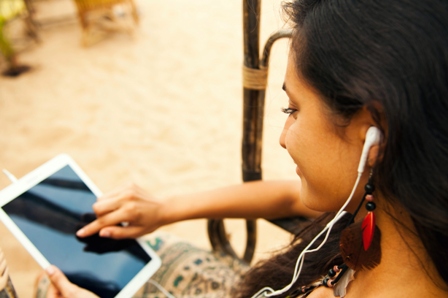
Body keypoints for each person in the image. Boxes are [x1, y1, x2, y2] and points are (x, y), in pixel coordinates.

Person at [37, 0, 448, 297]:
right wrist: (166, 209)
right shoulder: (393, 209)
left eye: (294, 109)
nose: (283, 136)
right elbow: (286, 194)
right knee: (151, 249)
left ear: (372, 134)